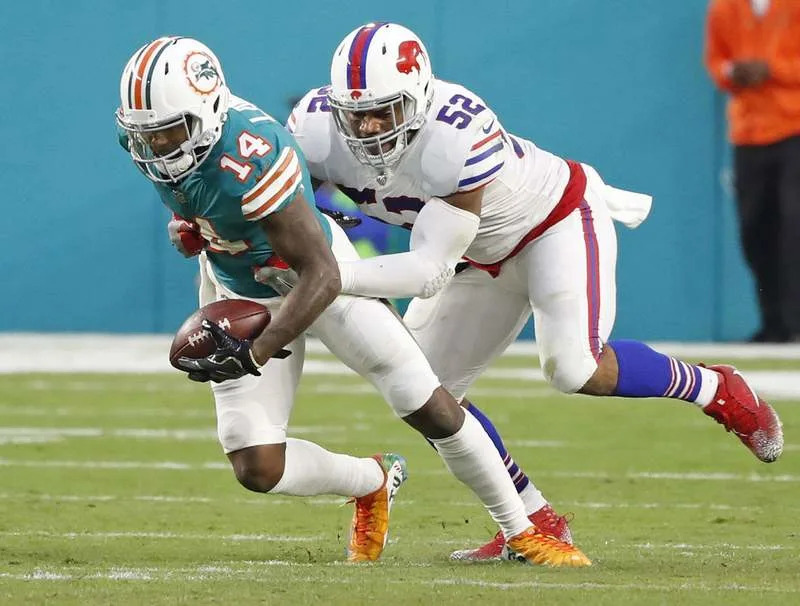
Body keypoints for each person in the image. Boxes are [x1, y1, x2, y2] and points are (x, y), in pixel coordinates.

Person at [270, 21, 785, 561]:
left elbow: (426, 269)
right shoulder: (314, 129)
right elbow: (278, 207)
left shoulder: (455, 132)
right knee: (428, 396)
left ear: (419, 96)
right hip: (474, 255)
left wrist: (333, 278)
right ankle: (535, 521)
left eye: (386, 110)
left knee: (574, 367)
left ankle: (714, 388)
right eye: (357, 113)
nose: (369, 127)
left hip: (550, 225)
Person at [116, 36, 589, 567]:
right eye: (145, 135)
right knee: (256, 466)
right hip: (240, 289)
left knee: (428, 403)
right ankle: (372, 481)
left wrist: (257, 350)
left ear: (208, 113)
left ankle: (523, 530)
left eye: (169, 131)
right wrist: (191, 227)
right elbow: (197, 198)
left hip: (319, 281)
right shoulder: (156, 140)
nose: (156, 146)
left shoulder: (254, 155)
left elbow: (320, 273)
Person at [705, 0, 800, 343]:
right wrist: (731, 72)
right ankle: (774, 323)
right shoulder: (724, 8)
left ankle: (795, 321)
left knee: (794, 225)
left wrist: (771, 69)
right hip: (748, 131)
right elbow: (716, 61)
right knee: (754, 229)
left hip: (795, 126)